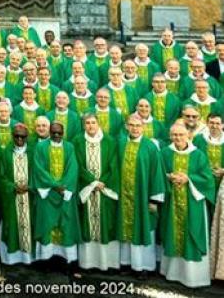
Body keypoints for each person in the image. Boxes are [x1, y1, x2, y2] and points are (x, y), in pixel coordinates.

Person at [159, 123, 215, 288]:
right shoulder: (165, 153)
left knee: (191, 234)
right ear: (170, 136)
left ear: (188, 136)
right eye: (174, 135)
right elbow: (158, 173)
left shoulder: (198, 155)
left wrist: (188, 178)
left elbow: (207, 179)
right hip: (172, 202)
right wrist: (169, 177)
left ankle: (193, 277)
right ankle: (172, 273)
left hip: (193, 202)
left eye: (181, 135)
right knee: (172, 233)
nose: (178, 138)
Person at [117, 115, 165, 274]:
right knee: (126, 229)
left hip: (143, 197)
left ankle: (143, 266)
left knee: (143, 228)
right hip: (124, 198)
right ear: (126, 126)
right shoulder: (122, 143)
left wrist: (154, 199)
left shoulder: (150, 146)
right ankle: (126, 263)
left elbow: (157, 173)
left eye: (138, 125)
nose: (134, 128)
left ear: (143, 127)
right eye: (131, 125)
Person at [73, 114, 119, 271]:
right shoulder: (78, 141)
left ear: (99, 124)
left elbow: (113, 163)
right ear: (83, 125)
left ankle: (108, 263)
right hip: (87, 188)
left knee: (106, 224)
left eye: (93, 122)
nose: (91, 126)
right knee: (88, 224)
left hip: (104, 189)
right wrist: (92, 181)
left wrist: (102, 182)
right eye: (87, 123)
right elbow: (77, 164)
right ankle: (88, 263)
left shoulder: (109, 141)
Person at [32, 122, 80, 264]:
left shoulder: (70, 147)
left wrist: (63, 187)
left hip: (64, 192)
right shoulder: (41, 147)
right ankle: (46, 259)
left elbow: (73, 168)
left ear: (63, 132)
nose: (56, 135)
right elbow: (38, 168)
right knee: (47, 224)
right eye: (54, 132)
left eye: (59, 133)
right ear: (49, 132)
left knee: (65, 223)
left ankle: (66, 258)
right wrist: (54, 185)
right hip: (47, 193)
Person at [0, 124, 35, 264]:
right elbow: (1, 177)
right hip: (11, 197)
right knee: (12, 225)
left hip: (29, 197)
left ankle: (28, 258)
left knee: (29, 225)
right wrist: (12, 187)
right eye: (16, 136)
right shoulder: (5, 153)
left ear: (27, 137)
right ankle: (11, 258)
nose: (19, 139)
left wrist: (29, 187)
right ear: (12, 136)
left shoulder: (33, 152)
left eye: (23, 136)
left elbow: (37, 174)